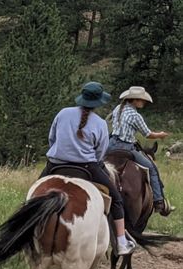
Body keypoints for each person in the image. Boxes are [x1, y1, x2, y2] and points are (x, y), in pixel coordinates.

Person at [40, 81, 135, 256]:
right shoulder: (100, 123)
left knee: (32, 198)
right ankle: (121, 241)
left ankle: (23, 232)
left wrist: (60, 152)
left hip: (55, 164)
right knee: (116, 199)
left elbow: (51, 138)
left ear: (81, 98)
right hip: (86, 168)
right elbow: (100, 153)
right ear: (98, 102)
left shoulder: (62, 113)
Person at [107, 86, 172, 215]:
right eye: (142, 100)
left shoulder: (117, 109)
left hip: (111, 144)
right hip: (126, 147)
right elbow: (148, 134)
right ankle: (159, 201)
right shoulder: (135, 116)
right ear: (134, 100)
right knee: (152, 168)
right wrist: (160, 135)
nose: (143, 102)